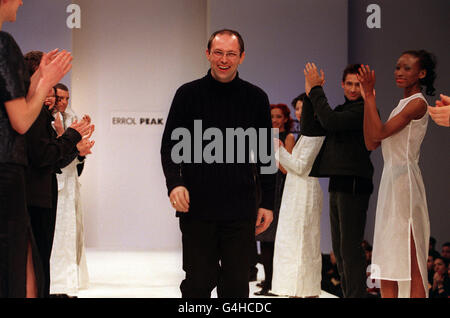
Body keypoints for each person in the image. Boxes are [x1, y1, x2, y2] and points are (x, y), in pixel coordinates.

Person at [160, 29, 276, 298]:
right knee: (198, 283)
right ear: (208, 54)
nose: (224, 59)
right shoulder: (187, 95)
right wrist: (174, 184)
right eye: (219, 53)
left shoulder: (256, 98)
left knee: (236, 287)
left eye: (231, 54)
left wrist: (267, 202)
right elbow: (169, 147)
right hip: (197, 209)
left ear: (242, 57)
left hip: (240, 210)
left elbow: (265, 156)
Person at [0, 0, 72, 298]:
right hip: (5, 170)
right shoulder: (4, 44)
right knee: (20, 268)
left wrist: (37, 81)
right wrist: (46, 85)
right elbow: (19, 121)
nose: (20, 2)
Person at [358, 49, 437, 298]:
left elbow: (379, 133)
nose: (399, 72)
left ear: (421, 73)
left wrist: (370, 97)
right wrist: (367, 100)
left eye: (407, 68)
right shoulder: (401, 105)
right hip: (391, 183)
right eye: (397, 67)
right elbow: (372, 141)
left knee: (410, 261)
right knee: (388, 257)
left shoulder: (417, 103)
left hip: (406, 185)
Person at [23, 51, 94, 297]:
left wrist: (76, 149)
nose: (56, 97)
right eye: (52, 87)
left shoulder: (40, 113)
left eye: (61, 94)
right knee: (35, 263)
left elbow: (53, 159)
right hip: (35, 197)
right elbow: (43, 155)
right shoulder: (31, 113)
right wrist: (71, 137)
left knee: (42, 260)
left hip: (46, 193)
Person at [306, 63, 375, 298]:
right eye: (349, 84)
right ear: (342, 84)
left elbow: (332, 122)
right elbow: (313, 127)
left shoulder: (362, 109)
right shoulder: (343, 108)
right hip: (340, 180)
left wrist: (316, 90)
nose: (353, 88)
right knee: (340, 249)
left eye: (358, 84)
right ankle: (350, 294)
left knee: (350, 249)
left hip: (355, 182)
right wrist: (309, 95)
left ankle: (355, 295)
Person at [271, 91, 326, 298]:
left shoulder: (316, 134)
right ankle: (295, 292)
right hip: (296, 192)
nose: (299, 112)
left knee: (303, 245)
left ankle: (304, 292)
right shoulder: (305, 134)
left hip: (304, 193)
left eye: (303, 108)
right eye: (297, 108)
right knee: (293, 243)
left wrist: (277, 149)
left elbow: (301, 166)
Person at [49, 83, 90, 298]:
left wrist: (81, 153)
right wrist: (75, 148)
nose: (63, 102)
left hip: (70, 185)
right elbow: (52, 156)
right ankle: (56, 285)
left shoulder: (71, 119)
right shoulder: (47, 121)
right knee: (56, 237)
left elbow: (76, 164)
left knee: (71, 235)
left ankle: (67, 283)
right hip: (53, 184)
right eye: (59, 98)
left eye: (66, 98)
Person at [255, 103, 294, 296]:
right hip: (264, 186)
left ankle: (273, 282)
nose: (274, 120)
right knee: (263, 236)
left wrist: (274, 151)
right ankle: (267, 280)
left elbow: (287, 168)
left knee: (273, 238)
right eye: (271, 116)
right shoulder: (264, 136)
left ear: (286, 118)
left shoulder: (288, 137)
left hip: (279, 188)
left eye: (278, 116)